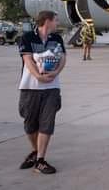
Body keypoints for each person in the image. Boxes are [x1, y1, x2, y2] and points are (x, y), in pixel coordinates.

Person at [17, 10, 67, 174]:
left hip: (51, 88)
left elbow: (62, 59)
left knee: (47, 124)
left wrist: (56, 72)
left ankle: (40, 160)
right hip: (30, 88)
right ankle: (35, 151)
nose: (57, 23)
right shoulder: (28, 37)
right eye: (56, 20)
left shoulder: (57, 38)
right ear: (47, 21)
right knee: (30, 125)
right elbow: (28, 60)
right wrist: (38, 76)